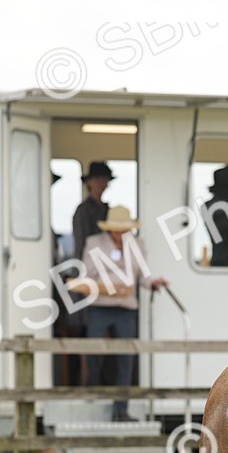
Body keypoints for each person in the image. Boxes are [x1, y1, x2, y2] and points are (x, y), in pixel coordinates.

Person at [79, 206, 169, 421]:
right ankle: (93, 390)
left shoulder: (137, 245)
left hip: (125, 308)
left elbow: (143, 276)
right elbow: (87, 273)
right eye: (115, 230)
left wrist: (153, 283)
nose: (119, 234)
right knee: (93, 351)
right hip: (100, 305)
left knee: (125, 359)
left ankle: (121, 408)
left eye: (123, 229)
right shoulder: (94, 243)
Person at [72, 161, 114, 262]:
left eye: (104, 179)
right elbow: (82, 243)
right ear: (89, 181)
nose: (101, 183)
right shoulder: (82, 211)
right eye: (98, 179)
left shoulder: (108, 210)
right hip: (87, 264)